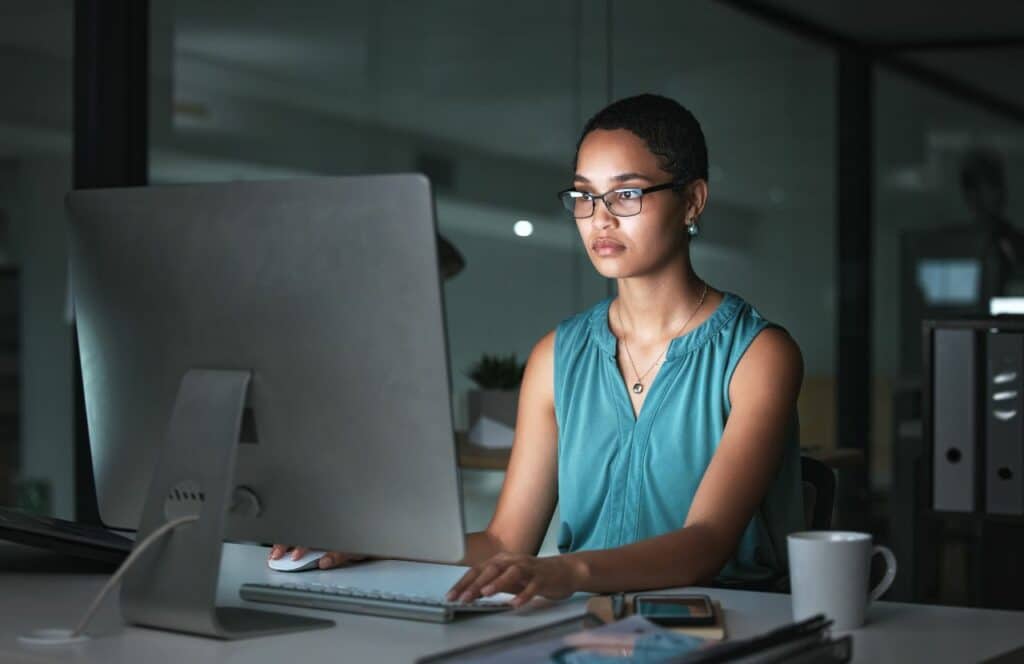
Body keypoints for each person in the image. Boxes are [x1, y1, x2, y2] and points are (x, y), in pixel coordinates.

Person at [271, 93, 805, 608]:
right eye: (583, 195)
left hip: (730, 625)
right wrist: (374, 543)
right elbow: (507, 542)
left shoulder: (759, 355)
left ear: (692, 200)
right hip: (591, 625)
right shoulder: (556, 356)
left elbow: (705, 543)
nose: (600, 218)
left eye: (626, 194)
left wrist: (567, 571)